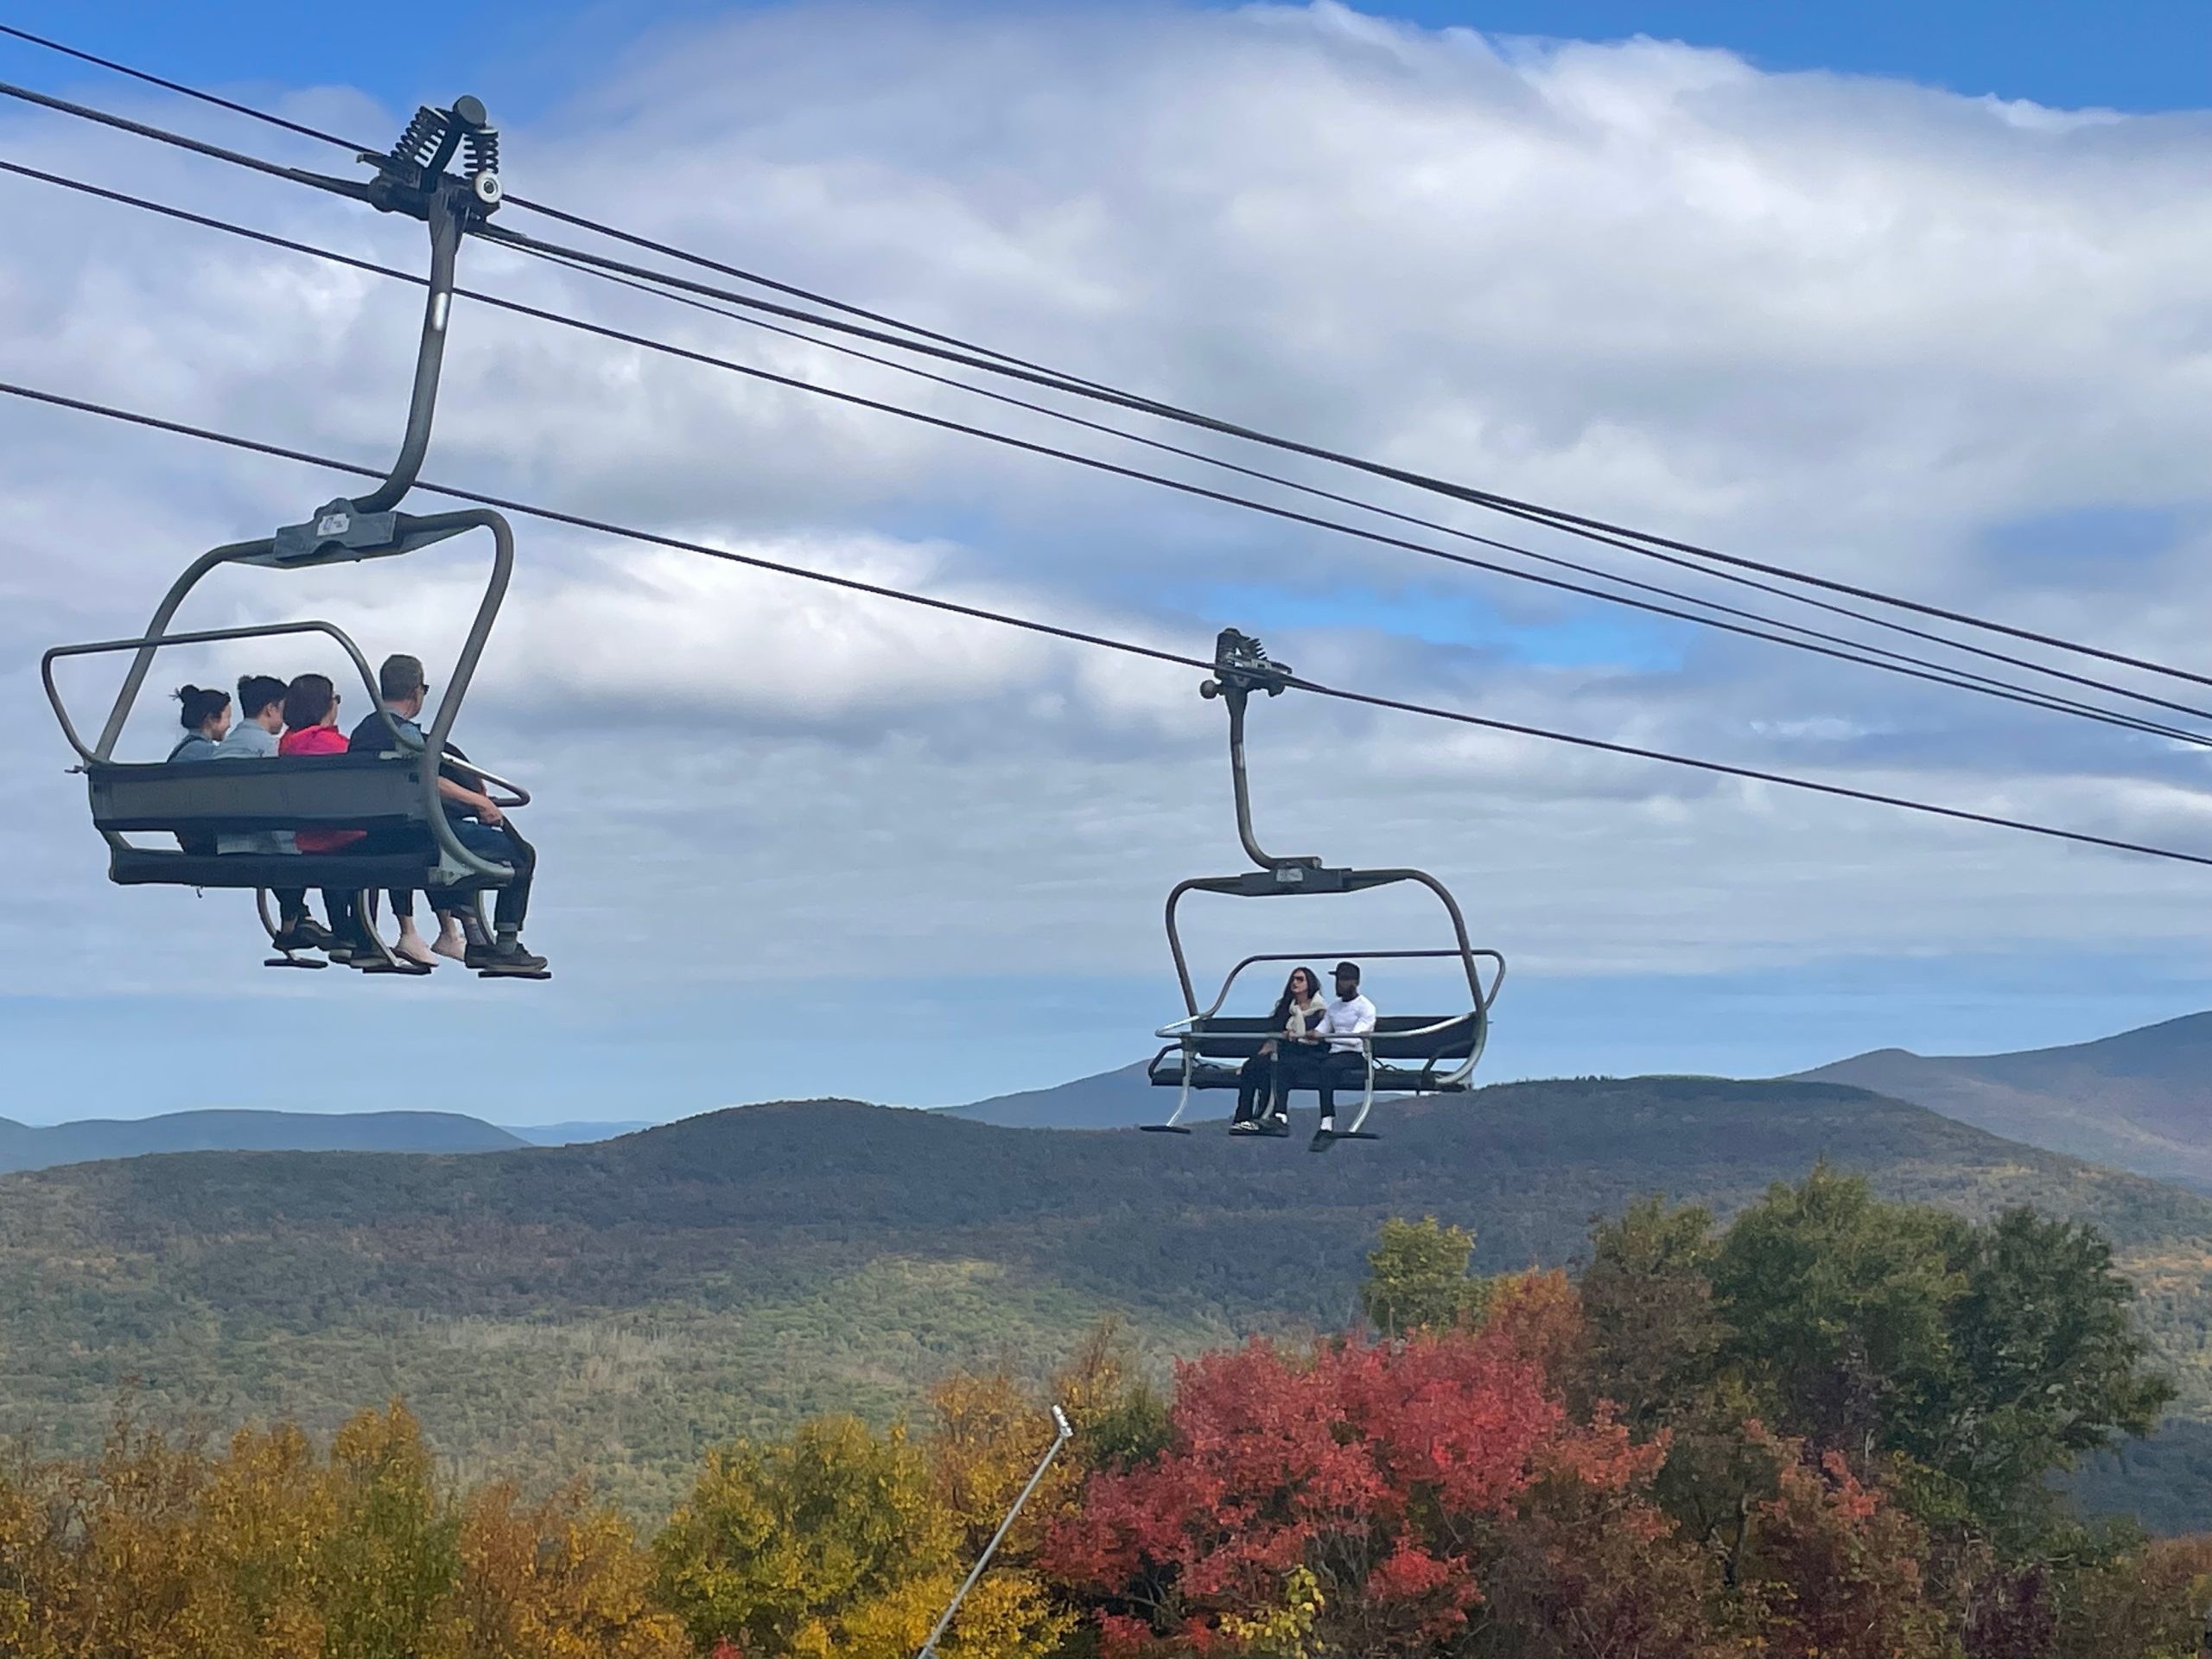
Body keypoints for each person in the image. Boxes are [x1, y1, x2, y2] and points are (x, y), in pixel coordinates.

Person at [350, 652, 544, 976]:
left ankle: (476, 937)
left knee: (461, 842)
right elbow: (428, 779)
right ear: (416, 692)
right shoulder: (401, 734)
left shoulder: (360, 735)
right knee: (520, 854)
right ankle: (505, 944)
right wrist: (479, 802)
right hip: (417, 839)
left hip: (379, 838)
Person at [213, 672, 331, 953]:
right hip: (262, 843)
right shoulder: (270, 748)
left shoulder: (222, 749)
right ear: (271, 709)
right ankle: (294, 920)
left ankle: (296, 919)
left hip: (229, 844)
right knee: (296, 843)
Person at [279, 673, 366, 954]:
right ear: (326, 705)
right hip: (344, 839)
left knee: (333, 852)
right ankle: (359, 935)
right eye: (336, 699)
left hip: (307, 841)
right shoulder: (337, 747)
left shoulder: (287, 745)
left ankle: (343, 933)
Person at [1230, 966, 1324, 1136]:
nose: (1295, 983)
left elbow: (1321, 1036)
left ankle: (1269, 1115)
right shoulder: (1286, 1009)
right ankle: (1243, 1117)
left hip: (1306, 1054)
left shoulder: (1320, 1011)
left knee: (1276, 1068)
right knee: (1254, 1067)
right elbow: (1273, 1038)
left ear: (1310, 984)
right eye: (1293, 979)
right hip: (1284, 1051)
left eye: (1300, 979)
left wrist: (1301, 1036)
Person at [1310, 960, 1377, 1149]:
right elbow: (1321, 1030)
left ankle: (1327, 1122)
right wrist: (1311, 1035)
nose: (1339, 984)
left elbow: (1355, 1040)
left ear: (1355, 982)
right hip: (1334, 1054)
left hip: (1354, 1056)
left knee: (1327, 1068)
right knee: (1299, 1064)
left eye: (1344, 980)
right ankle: (1278, 1115)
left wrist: (1326, 1037)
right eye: (1338, 979)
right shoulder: (1334, 1008)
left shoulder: (1366, 1008)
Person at [165, 683, 232, 762]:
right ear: (211, 719)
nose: (229, 725)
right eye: (227, 718)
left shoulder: (182, 749)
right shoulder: (207, 753)